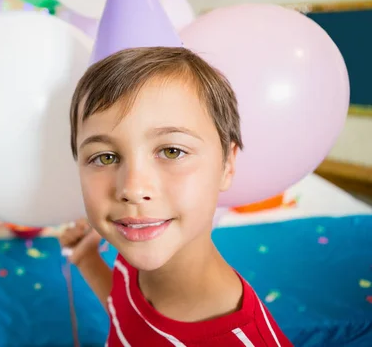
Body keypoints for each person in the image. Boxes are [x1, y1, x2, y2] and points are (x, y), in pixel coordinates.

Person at [59, 47, 292, 346]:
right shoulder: (135, 243)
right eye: (105, 157)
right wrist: (87, 259)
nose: (132, 189)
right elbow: (129, 317)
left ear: (227, 164)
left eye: (172, 151)